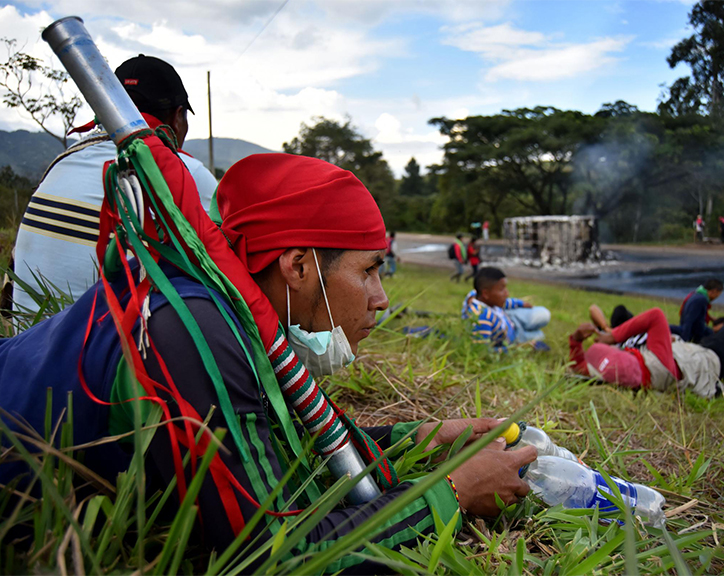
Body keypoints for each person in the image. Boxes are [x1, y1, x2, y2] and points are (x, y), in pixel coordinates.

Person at [0, 150, 538, 572]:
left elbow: (287, 442)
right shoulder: (197, 332)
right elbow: (270, 554)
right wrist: (452, 492)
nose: (381, 299)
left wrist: (429, 436)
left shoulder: (239, 318)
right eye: (369, 270)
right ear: (298, 266)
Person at [11, 55, 218, 313]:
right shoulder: (186, 171)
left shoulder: (63, 162)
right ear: (177, 118)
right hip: (102, 350)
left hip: (22, 339)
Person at [569, 308, 724, 402]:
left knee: (714, 335)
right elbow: (656, 315)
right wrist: (610, 337)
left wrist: (576, 339)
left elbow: (579, 367)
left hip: (683, 351)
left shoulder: (638, 361)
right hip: (706, 359)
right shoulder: (655, 362)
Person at [461, 267, 550, 351]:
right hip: (513, 336)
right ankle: (526, 333)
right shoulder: (481, 318)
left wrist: (521, 303)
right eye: (502, 289)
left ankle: (528, 329)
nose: (507, 293)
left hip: (510, 318)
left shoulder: (480, 296)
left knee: (544, 314)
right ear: (486, 294)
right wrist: (520, 347)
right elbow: (484, 351)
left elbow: (505, 302)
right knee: (540, 335)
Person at [673, 279, 724, 344]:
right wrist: (684, 340)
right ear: (714, 291)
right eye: (718, 294)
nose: (717, 297)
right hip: (692, 331)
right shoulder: (701, 300)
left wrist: (710, 318)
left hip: (695, 329)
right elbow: (689, 320)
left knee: (710, 332)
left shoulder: (697, 294)